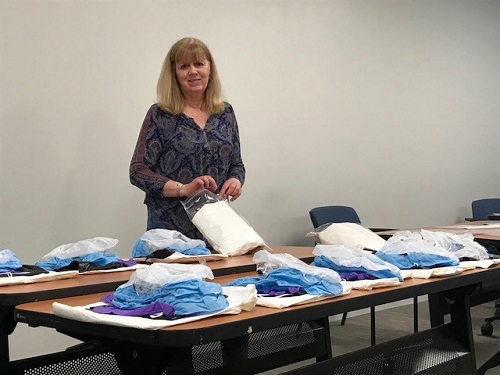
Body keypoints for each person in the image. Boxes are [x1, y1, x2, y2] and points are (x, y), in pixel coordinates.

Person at [130, 37, 245, 242]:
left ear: (210, 69)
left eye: (199, 64)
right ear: (174, 73)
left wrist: (235, 180)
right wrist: (183, 189)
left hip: (216, 226)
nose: (193, 71)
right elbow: (138, 171)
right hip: (170, 229)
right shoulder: (160, 115)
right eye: (184, 66)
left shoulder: (225, 112)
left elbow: (236, 164)